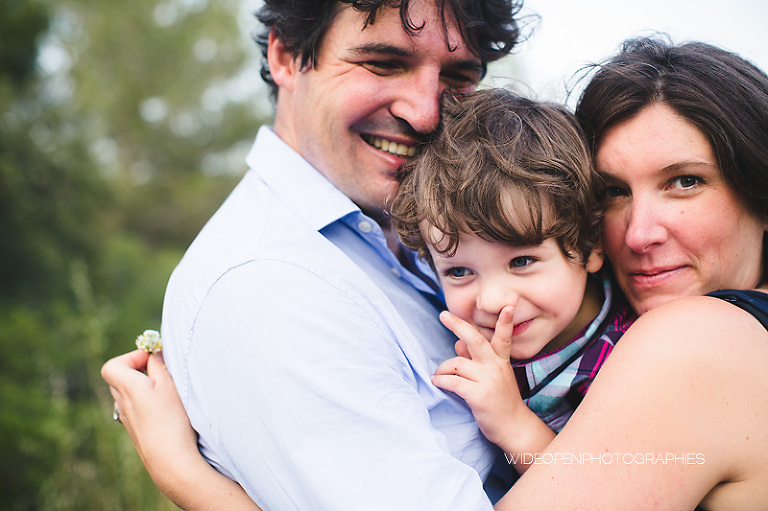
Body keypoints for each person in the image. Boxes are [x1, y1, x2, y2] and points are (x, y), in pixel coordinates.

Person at [104, 36, 768, 509]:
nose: (639, 231)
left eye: (686, 183)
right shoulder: (281, 276)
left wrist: (192, 481)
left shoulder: (693, 343)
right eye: (615, 191)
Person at [103, 0, 523, 510]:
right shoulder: (268, 283)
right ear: (284, 56)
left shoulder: (438, 232)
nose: (427, 112)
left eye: (458, 76)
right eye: (384, 63)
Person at [387, 88, 634, 474]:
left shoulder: (628, 361)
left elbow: (606, 489)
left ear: (589, 246)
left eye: (521, 260)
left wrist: (514, 424)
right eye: (459, 272)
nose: (492, 300)